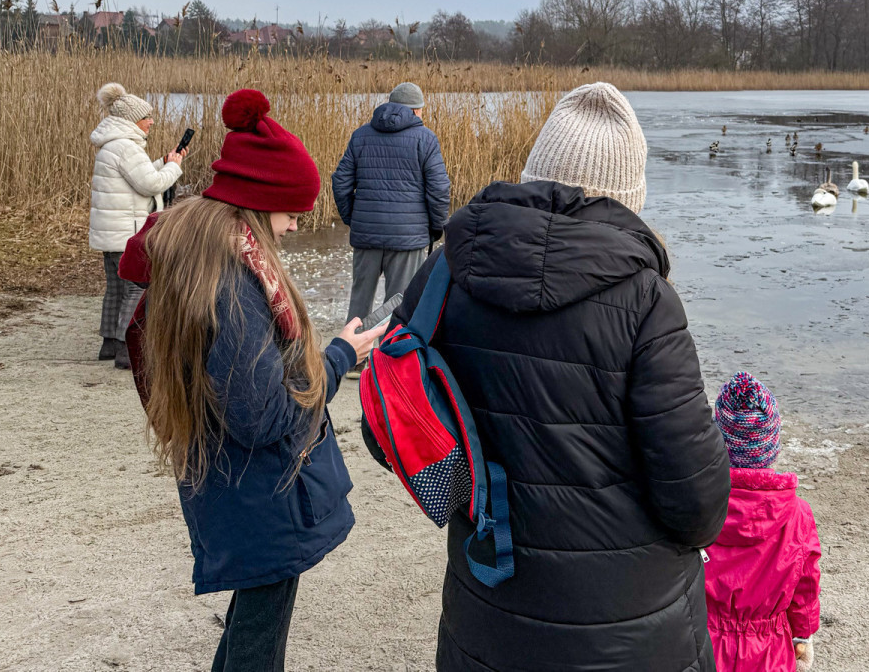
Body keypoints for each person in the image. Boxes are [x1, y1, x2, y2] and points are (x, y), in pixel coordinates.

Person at [366, 81, 731, 672]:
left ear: (533, 174)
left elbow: (386, 426)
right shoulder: (647, 302)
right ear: (627, 199)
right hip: (629, 631)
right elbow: (697, 506)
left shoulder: (445, 273)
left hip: (490, 612)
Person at [136, 89, 386, 671]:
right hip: (257, 490)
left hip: (231, 480)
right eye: (292, 212)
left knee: (252, 626)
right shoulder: (232, 282)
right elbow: (264, 414)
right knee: (258, 641)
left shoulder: (201, 252)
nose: (296, 226)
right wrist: (340, 356)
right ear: (259, 201)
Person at [704, 373, 822, 672]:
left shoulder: (696, 505)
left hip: (700, 641)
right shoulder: (797, 514)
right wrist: (803, 634)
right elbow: (806, 582)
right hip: (769, 648)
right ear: (772, 445)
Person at [331, 81, 450, 331]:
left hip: (367, 235)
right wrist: (436, 228)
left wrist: (355, 219)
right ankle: (388, 353)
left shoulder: (361, 135)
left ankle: (350, 351)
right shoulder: (426, 139)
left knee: (359, 304)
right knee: (399, 306)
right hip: (408, 237)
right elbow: (439, 189)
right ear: (416, 110)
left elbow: (341, 181)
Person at [89, 82, 184, 368]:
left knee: (115, 289)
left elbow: (136, 177)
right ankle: (125, 349)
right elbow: (151, 184)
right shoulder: (127, 147)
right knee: (135, 289)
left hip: (112, 233)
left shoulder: (114, 144)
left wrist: (163, 161)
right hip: (127, 234)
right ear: (132, 120)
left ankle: (109, 343)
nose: (152, 121)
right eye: (147, 117)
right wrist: (175, 166)